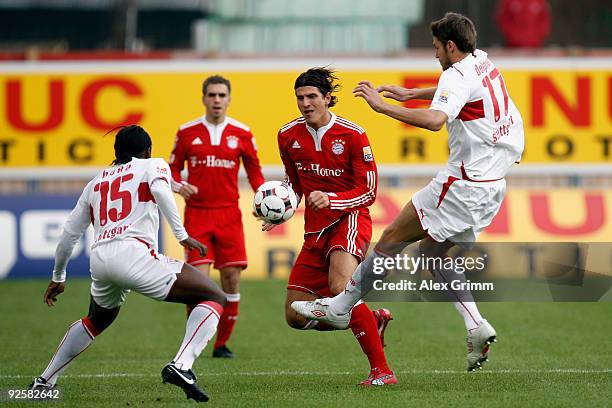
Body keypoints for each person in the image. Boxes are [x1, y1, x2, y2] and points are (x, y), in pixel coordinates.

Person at [292, 12, 525, 372]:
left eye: (436, 48)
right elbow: (456, 92)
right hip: (492, 185)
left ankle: (339, 307)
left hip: (463, 183)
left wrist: (384, 106)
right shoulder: (482, 62)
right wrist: (414, 93)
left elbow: (435, 121)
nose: (435, 55)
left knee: (391, 239)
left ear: (450, 46)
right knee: (434, 255)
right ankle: (476, 325)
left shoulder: (457, 74)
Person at [29, 125, 227, 402]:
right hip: (134, 253)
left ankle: (44, 382)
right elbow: (159, 189)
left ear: (117, 152)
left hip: (100, 258)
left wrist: (59, 276)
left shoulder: (95, 182)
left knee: (97, 319)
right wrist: (181, 234)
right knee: (214, 295)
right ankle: (182, 365)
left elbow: (69, 233)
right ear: (147, 151)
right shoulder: (152, 165)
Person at [267, 67, 396, 386]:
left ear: (327, 99)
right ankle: (369, 318)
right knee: (295, 316)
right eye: (300, 97)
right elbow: (294, 184)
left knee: (341, 287)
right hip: (315, 231)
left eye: (312, 96)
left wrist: (333, 200)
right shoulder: (287, 135)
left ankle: (382, 371)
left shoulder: (353, 134)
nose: (306, 103)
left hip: (349, 220)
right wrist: (279, 209)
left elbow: (369, 191)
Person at [169, 75, 264, 359]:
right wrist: (178, 184)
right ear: (204, 98)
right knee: (198, 283)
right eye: (212, 95)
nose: (217, 100)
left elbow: (255, 173)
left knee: (232, 279)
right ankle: (193, 344)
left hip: (229, 215)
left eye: (222, 95)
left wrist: (265, 199)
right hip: (197, 215)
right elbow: (172, 168)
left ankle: (221, 344)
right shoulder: (186, 132)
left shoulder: (243, 133)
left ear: (229, 98)